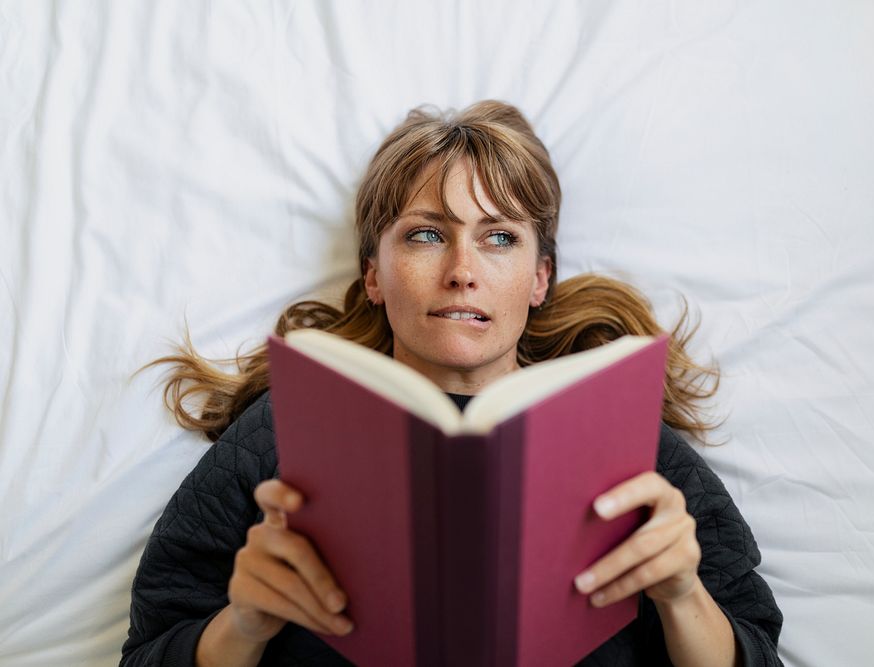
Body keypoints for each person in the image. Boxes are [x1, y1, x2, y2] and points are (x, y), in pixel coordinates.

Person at [121, 100, 783, 666]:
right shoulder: (279, 431)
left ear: (539, 277)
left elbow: (757, 643)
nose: (463, 270)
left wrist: (682, 594)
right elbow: (150, 646)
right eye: (428, 235)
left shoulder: (632, 439)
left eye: (498, 238)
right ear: (374, 275)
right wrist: (244, 623)